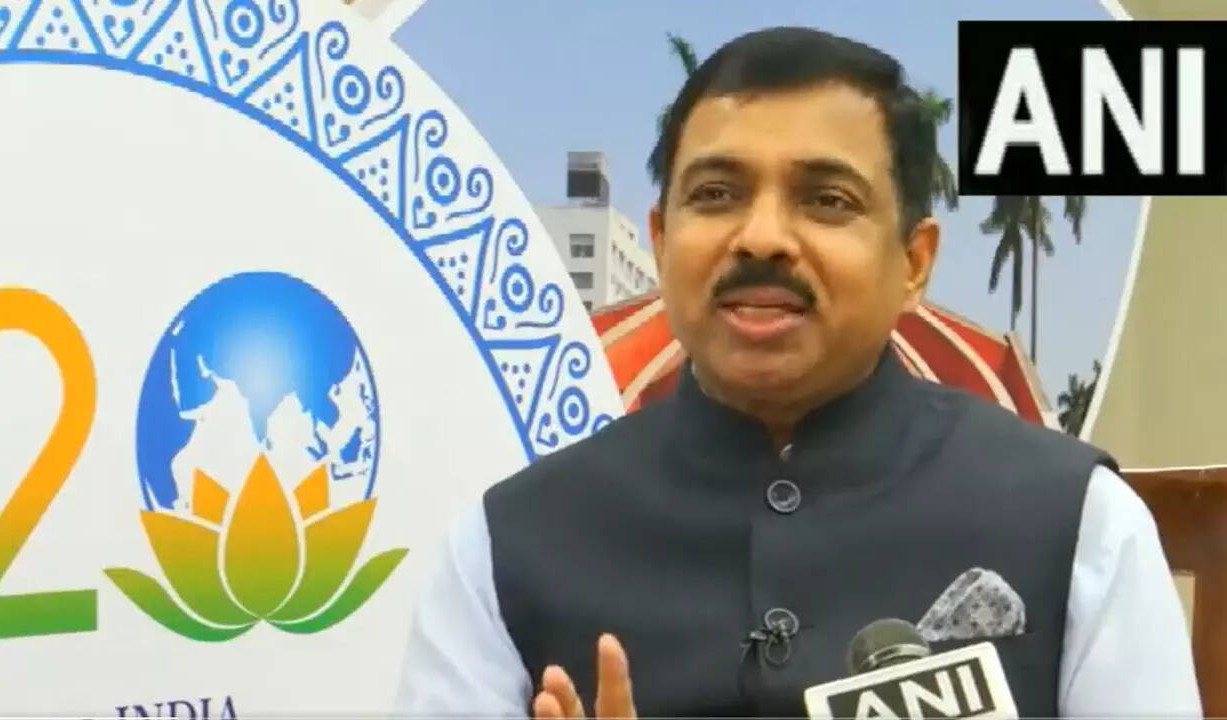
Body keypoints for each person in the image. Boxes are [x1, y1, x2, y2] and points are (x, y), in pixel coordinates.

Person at [393, 26, 1200, 718]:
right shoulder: (502, 552)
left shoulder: (1081, 527)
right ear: (662, 242)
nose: (762, 237)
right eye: (717, 193)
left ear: (914, 261)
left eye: (827, 200)